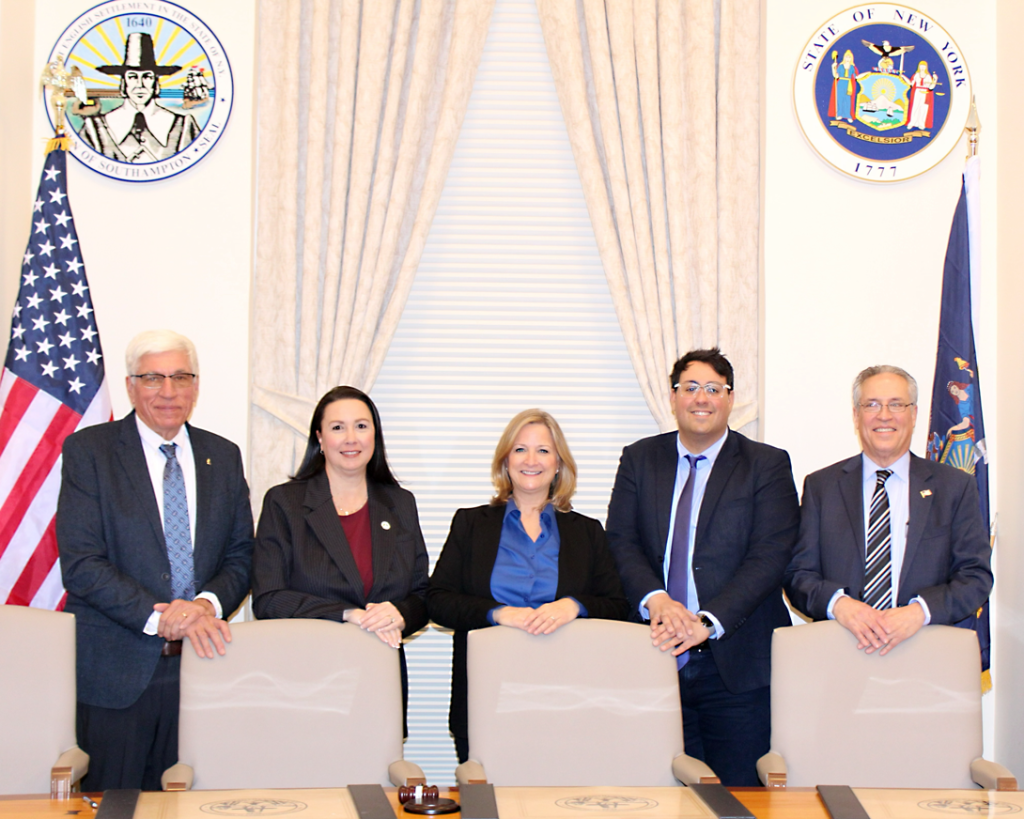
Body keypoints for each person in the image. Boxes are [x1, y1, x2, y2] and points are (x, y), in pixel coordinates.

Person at [57, 330, 254, 791]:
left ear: (196, 385)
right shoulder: (90, 452)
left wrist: (203, 606)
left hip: (206, 667)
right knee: (115, 805)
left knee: (197, 804)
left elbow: (243, 554)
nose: (169, 391)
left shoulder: (222, 457)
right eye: (153, 378)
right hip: (116, 673)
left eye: (181, 377)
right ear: (130, 386)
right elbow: (82, 563)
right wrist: (160, 616)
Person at [605, 348, 799, 786]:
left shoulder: (766, 465)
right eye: (690, 387)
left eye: (714, 389)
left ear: (730, 399)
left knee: (739, 797)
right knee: (657, 796)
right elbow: (620, 541)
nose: (701, 398)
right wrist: (658, 600)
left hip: (735, 667)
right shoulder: (639, 459)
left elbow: (770, 555)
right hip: (653, 654)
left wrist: (707, 622)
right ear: (673, 397)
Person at [428, 409, 630, 763]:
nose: (531, 460)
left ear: (558, 464)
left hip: (569, 696)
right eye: (520, 450)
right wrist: (498, 613)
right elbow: (438, 600)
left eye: (543, 450)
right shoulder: (470, 524)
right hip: (486, 693)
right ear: (505, 461)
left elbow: (617, 604)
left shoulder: (587, 531)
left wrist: (573, 606)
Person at [251, 386, 429, 723]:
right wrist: (349, 614)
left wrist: (399, 613)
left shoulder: (401, 503)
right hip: (304, 679)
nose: (351, 438)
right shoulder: (284, 503)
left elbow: (422, 595)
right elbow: (268, 599)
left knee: (377, 773)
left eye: (361, 426)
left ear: (375, 435)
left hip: (380, 676)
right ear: (319, 438)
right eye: (337, 428)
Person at [785, 365, 992, 655]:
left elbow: (975, 577)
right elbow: (798, 575)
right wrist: (839, 605)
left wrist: (919, 612)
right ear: (856, 416)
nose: (884, 415)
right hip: (841, 655)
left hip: (926, 656)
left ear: (914, 414)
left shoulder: (954, 487)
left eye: (896, 404)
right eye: (872, 405)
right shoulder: (822, 487)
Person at [78, 32, 200, 162]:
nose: (140, 85)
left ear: (156, 84)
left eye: (147, 77)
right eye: (132, 77)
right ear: (124, 83)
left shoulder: (184, 126)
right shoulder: (95, 129)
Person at [906, 61, 939, 130]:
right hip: (917, 92)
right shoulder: (916, 75)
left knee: (923, 108)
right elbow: (911, 84)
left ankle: (921, 123)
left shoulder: (928, 76)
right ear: (919, 66)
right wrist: (903, 77)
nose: (922, 68)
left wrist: (935, 80)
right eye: (921, 66)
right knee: (915, 107)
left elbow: (931, 87)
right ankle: (912, 122)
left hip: (925, 92)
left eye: (924, 66)